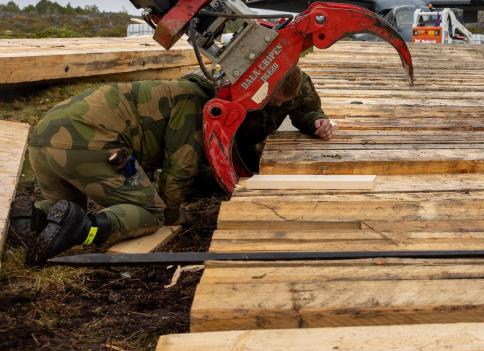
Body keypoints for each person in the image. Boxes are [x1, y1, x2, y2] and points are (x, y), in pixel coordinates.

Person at [10, 65, 333, 265]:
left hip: (45, 135)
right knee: (148, 213)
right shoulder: (196, 103)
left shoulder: (187, 86)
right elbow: (181, 167)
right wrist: (172, 213)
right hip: (90, 141)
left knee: (61, 205)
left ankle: (32, 219)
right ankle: (84, 230)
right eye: (272, 103)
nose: (274, 108)